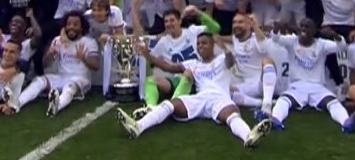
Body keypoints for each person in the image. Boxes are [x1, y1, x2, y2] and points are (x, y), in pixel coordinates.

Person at [115, 32, 271, 149]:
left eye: (204, 43)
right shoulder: (193, 63)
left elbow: (231, 61)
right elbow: (168, 67)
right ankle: (138, 127)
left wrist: (224, 47)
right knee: (171, 104)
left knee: (232, 115)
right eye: (198, 44)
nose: (200, 46)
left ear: (212, 46)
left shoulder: (222, 59)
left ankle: (248, 137)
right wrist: (147, 55)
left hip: (220, 98)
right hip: (200, 98)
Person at [269, 18, 355, 133]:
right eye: (302, 26)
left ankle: (346, 123)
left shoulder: (322, 44)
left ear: (314, 31)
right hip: (297, 86)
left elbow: (342, 47)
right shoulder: (292, 41)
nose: (304, 29)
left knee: (332, 102)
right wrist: (277, 28)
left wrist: (334, 35)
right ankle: (276, 120)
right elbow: (275, 39)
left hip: (318, 86)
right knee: (284, 100)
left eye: (307, 27)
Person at [133, 7, 220, 118]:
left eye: (172, 20)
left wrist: (199, 13)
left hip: (197, 78)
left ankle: (171, 107)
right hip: (176, 80)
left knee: (187, 72)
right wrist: (145, 54)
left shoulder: (192, 32)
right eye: (166, 21)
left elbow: (215, 28)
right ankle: (150, 109)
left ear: (180, 21)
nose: (169, 24)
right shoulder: (163, 42)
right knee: (151, 81)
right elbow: (151, 61)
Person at [17, 10, 100, 117]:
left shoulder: (88, 42)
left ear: (82, 27)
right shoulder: (58, 41)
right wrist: (50, 55)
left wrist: (83, 57)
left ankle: (57, 105)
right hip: (61, 77)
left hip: (80, 79)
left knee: (70, 87)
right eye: (68, 24)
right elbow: (45, 65)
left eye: (75, 24)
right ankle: (18, 102)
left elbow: (96, 66)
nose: (71, 27)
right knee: (39, 80)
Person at [224, 12, 278, 117]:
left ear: (249, 24)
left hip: (263, 82)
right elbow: (221, 38)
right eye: (234, 22)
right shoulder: (235, 39)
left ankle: (267, 105)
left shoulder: (256, 38)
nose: (236, 25)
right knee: (224, 90)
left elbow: (263, 48)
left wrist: (255, 26)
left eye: (240, 22)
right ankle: (259, 103)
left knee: (267, 61)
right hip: (247, 85)